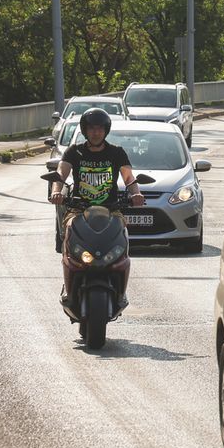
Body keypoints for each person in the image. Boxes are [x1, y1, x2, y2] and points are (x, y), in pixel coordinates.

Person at [49, 108, 144, 304]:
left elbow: (129, 178)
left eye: (100, 129)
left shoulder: (116, 152)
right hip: (79, 209)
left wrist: (136, 194)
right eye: (91, 129)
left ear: (106, 130)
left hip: (111, 209)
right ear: (84, 130)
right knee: (68, 233)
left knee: (122, 235)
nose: (96, 132)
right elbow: (61, 174)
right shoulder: (74, 151)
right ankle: (69, 286)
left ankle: (120, 289)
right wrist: (56, 191)